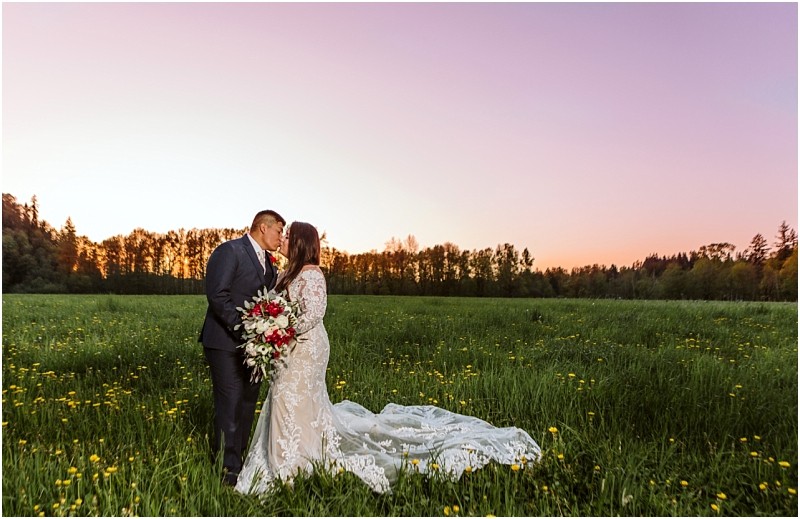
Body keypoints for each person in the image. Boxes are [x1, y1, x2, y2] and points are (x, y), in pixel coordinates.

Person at [235, 221, 541, 495]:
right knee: (289, 399)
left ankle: (292, 464)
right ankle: (294, 455)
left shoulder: (312, 274)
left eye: (289, 235)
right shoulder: (287, 272)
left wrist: (280, 331)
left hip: (305, 348)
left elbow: (314, 313)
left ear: (301, 243)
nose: (284, 238)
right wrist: (268, 327)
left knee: (295, 398)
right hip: (288, 347)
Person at [200, 209, 286, 486]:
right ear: (263, 227)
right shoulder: (230, 251)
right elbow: (218, 294)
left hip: (256, 347)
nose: (281, 238)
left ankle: (240, 464)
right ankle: (226, 473)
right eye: (279, 231)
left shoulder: (270, 264)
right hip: (224, 343)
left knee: (248, 405)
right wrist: (246, 330)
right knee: (230, 404)